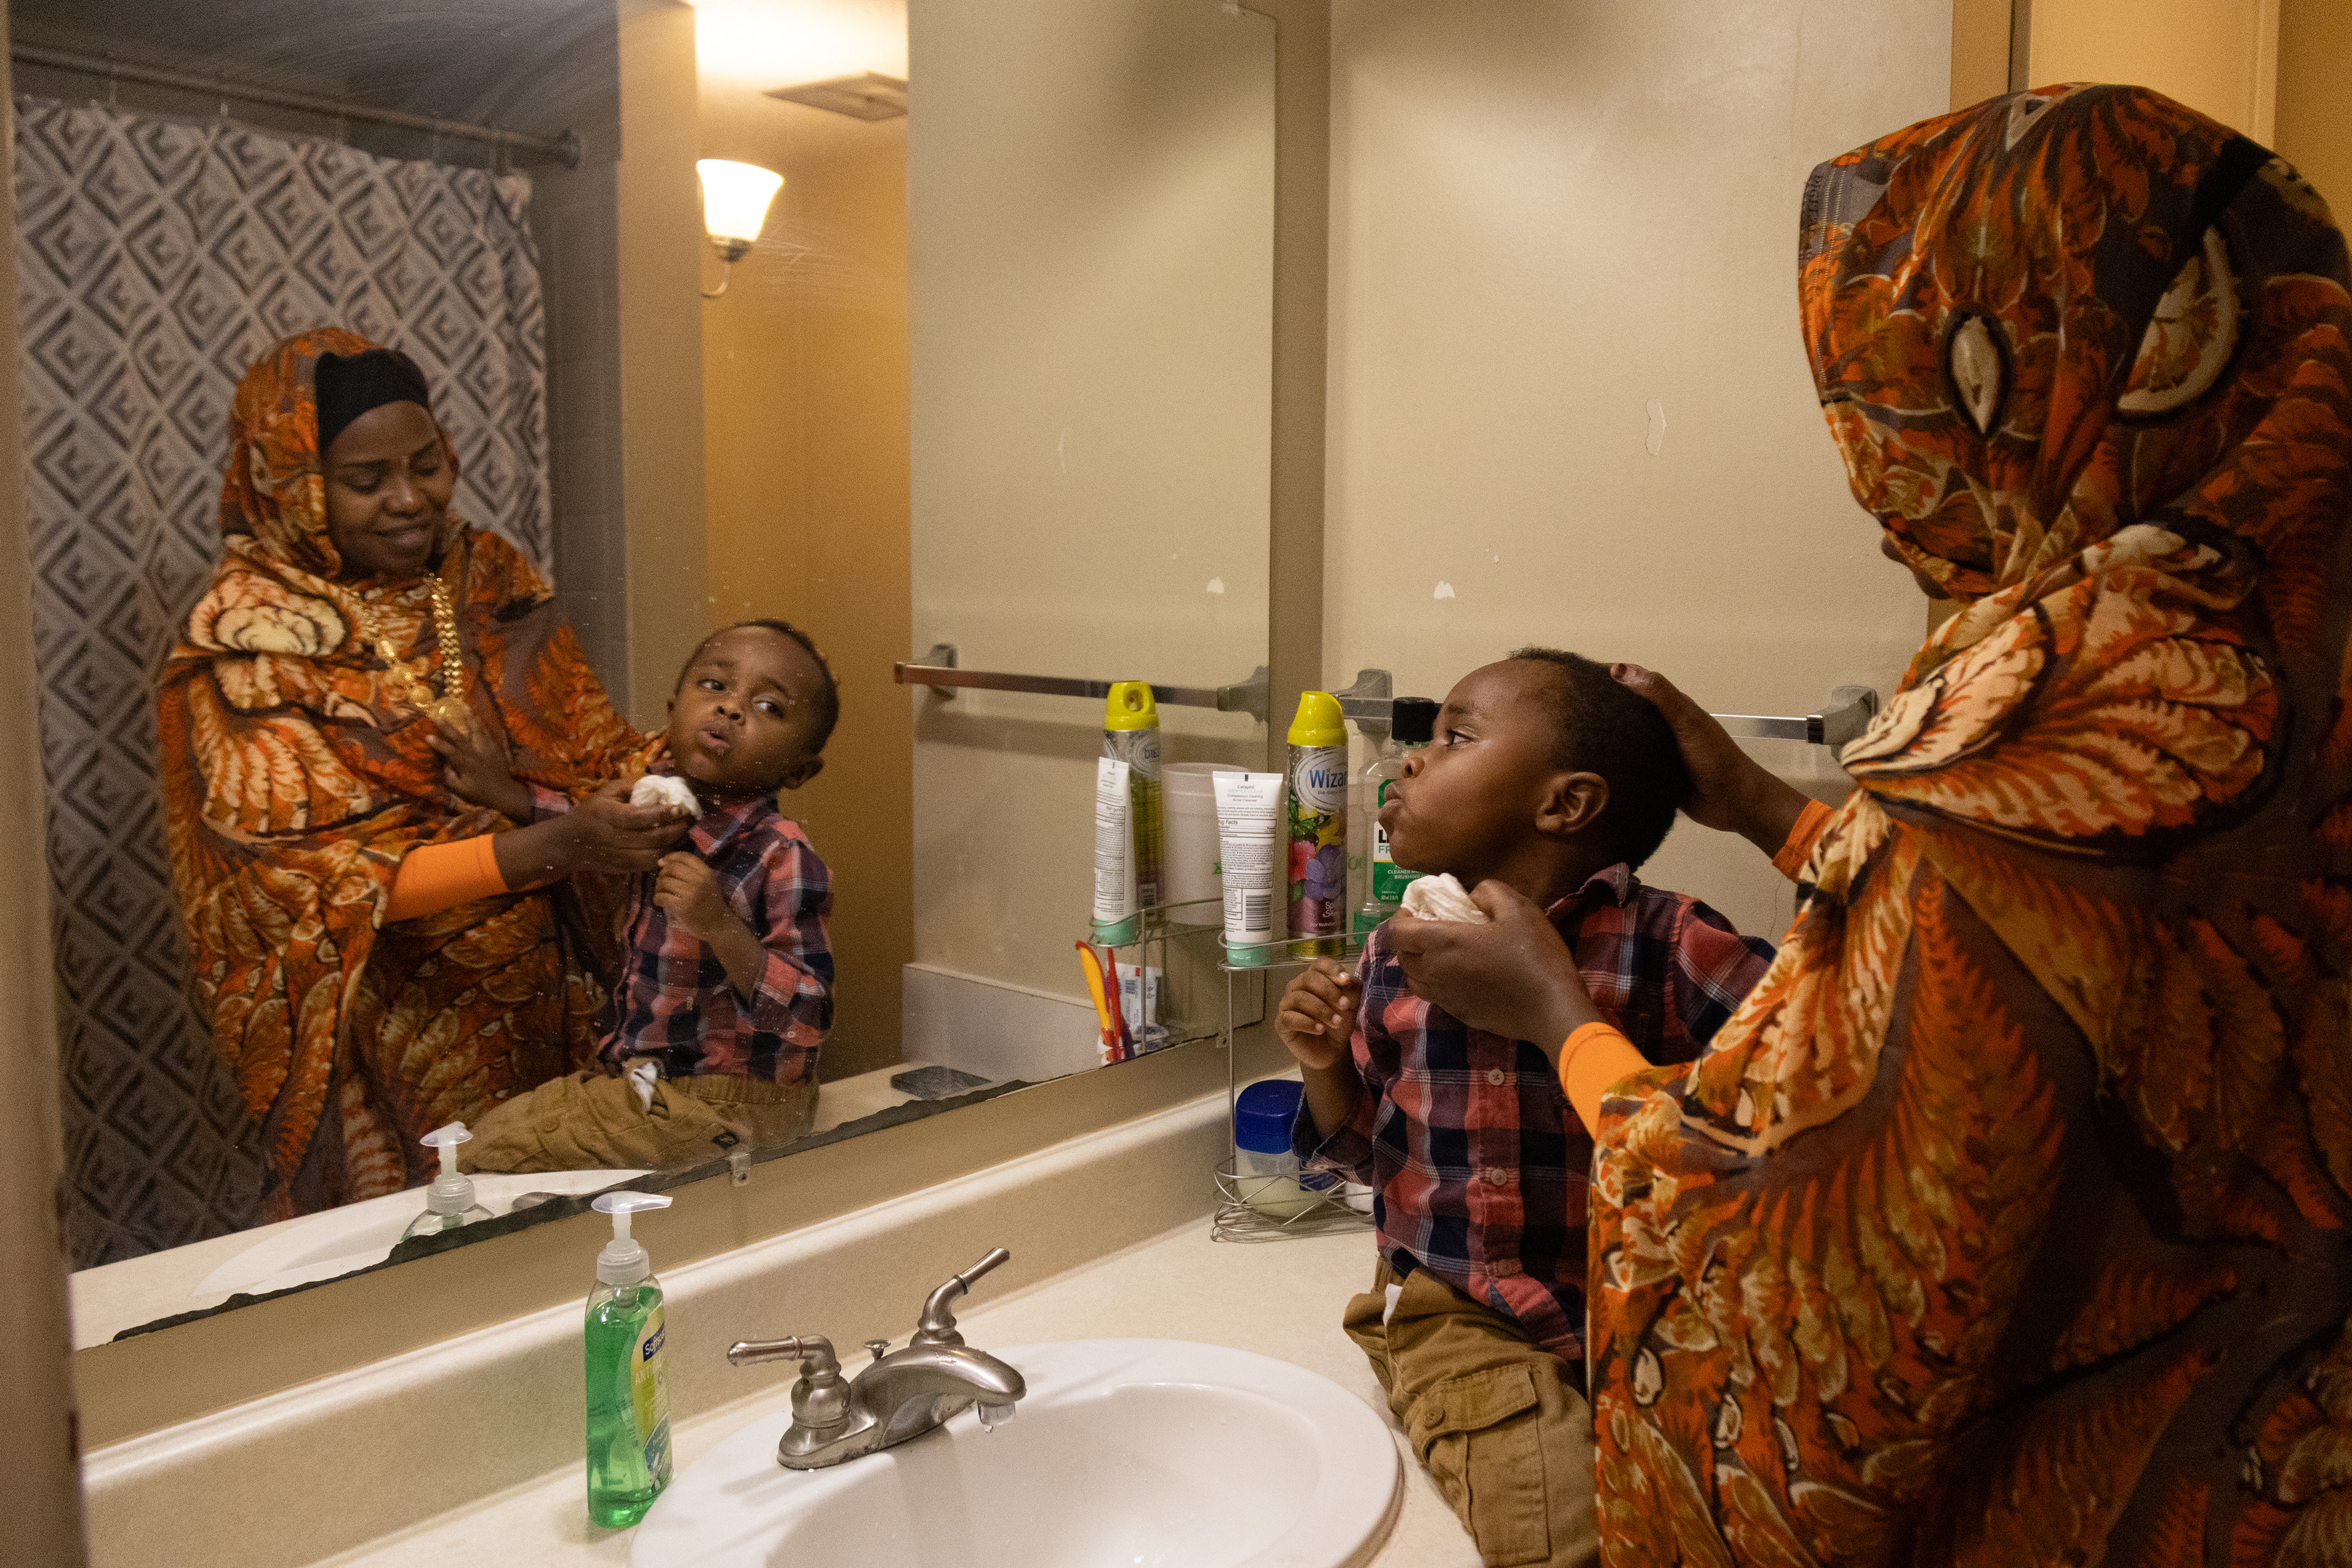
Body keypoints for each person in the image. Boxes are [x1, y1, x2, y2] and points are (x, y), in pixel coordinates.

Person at [1389, 85, 2352, 1563]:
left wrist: (1552, 1014)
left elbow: (1788, 1201)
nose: (1877, 448)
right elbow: (2055, 944)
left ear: (2003, 366)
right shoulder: (2286, 641)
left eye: (1889, 381)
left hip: (2095, 1488)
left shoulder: (2026, 711)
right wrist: (1771, 809)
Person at [159, 328, 687, 1219]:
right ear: (295, 483)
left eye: (427, 464)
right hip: (392, 1037)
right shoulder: (248, 639)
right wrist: (557, 841)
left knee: (574, 1237)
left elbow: (587, 747)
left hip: (564, 998)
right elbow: (311, 891)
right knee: (423, 1268)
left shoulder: (486, 573)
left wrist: (689, 771)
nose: (410, 500)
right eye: (366, 483)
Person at [1275, 648, 1775, 1568]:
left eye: (1455, 737)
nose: (1415, 761)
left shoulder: (1673, 946)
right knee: (1573, 1540)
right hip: (1461, 1317)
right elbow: (1364, 1156)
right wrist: (1321, 1069)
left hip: (1636, 1319)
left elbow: (1810, 1093)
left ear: (1565, 805)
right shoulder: (1397, 953)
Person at [458, 619, 840, 1172]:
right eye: (714, 686)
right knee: (489, 1133)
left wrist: (720, 926)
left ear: (800, 770)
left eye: (769, 708)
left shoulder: (781, 856)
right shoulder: (659, 805)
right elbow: (590, 826)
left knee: (490, 1155)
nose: (731, 709)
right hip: (648, 1085)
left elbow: (809, 1018)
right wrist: (503, 795)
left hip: (732, 1108)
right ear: (671, 709)